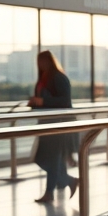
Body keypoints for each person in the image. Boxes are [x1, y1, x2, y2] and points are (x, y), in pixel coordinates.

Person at [30, 50, 78, 203]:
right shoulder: (43, 79)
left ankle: (53, 190)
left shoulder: (59, 78)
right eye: (39, 62)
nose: (41, 64)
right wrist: (35, 104)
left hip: (58, 124)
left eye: (43, 61)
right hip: (46, 123)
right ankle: (67, 181)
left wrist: (43, 102)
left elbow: (65, 101)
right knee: (49, 159)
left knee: (50, 159)